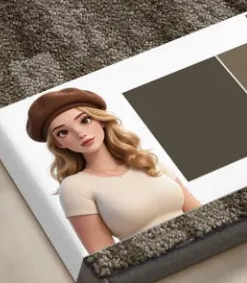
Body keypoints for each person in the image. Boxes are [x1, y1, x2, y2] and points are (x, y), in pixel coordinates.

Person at [26, 87, 201, 254]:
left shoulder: (145, 160)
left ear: (100, 120)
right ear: (59, 143)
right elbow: (107, 259)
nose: (80, 133)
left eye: (85, 120)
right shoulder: (75, 187)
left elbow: (201, 212)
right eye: (63, 132)